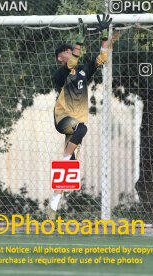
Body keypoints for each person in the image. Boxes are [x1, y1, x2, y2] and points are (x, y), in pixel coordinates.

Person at [48, 14, 112, 219]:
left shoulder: (84, 69)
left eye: (71, 50)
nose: (71, 53)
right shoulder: (61, 74)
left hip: (76, 122)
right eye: (66, 52)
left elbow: (102, 58)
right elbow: (73, 61)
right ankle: (66, 157)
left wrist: (104, 34)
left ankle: (52, 208)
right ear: (60, 57)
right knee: (82, 130)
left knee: (68, 172)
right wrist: (79, 39)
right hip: (63, 118)